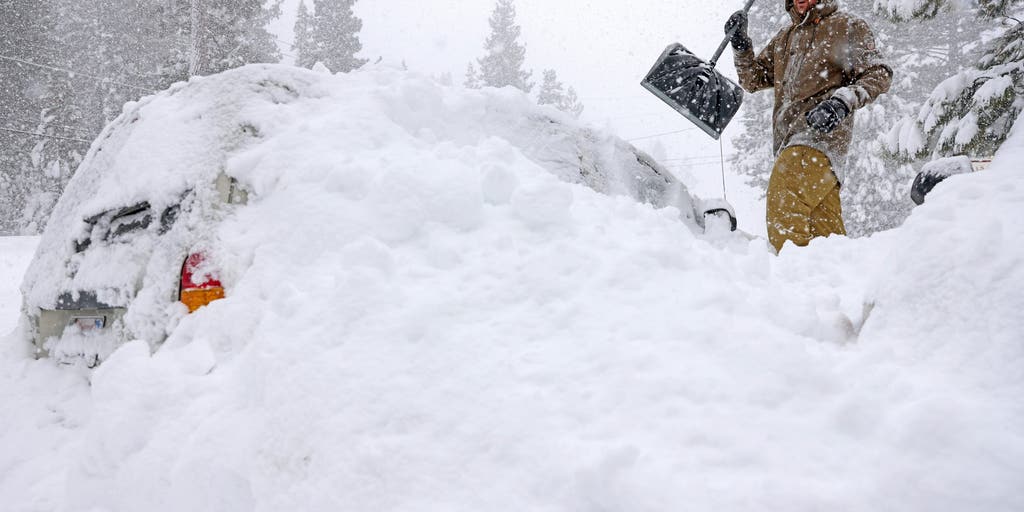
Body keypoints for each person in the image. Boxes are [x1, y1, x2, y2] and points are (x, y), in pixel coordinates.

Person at [725, 0, 892, 252]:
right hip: (790, 144)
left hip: (818, 139)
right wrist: (741, 46)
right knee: (825, 241)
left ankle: (790, 282)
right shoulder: (785, 38)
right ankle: (836, 285)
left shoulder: (845, 26)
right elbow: (753, 79)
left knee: (784, 206)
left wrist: (841, 102)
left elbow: (879, 72)